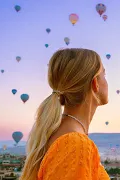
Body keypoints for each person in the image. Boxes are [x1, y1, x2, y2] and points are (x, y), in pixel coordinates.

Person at [20, 48, 110, 180]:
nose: (107, 82)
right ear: (95, 83)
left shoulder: (57, 132)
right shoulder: (75, 144)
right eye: (104, 75)